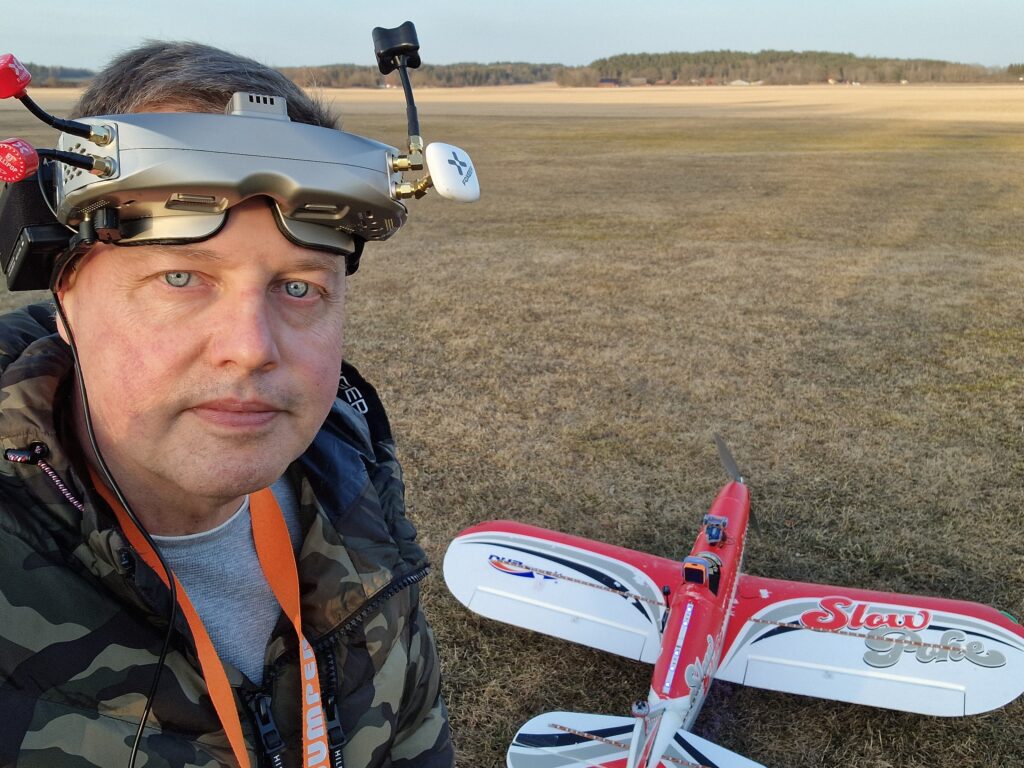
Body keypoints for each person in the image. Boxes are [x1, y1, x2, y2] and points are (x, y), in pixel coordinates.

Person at [0, 41, 454, 767]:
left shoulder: (352, 489)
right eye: (181, 278)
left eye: (299, 287)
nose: (250, 348)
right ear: (66, 297)